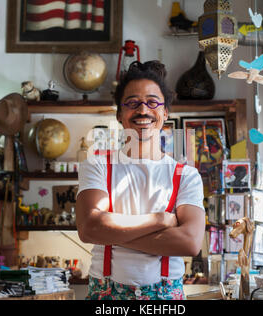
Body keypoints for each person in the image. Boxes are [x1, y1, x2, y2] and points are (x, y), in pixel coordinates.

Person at [76, 60, 205, 300]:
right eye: (132, 103)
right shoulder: (97, 166)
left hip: (165, 297)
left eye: (153, 102)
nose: (143, 110)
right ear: (119, 114)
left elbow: (189, 242)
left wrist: (112, 232)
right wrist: (159, 220)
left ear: (165, 112)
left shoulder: (186, 175)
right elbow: (89, 227)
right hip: (106, 297)